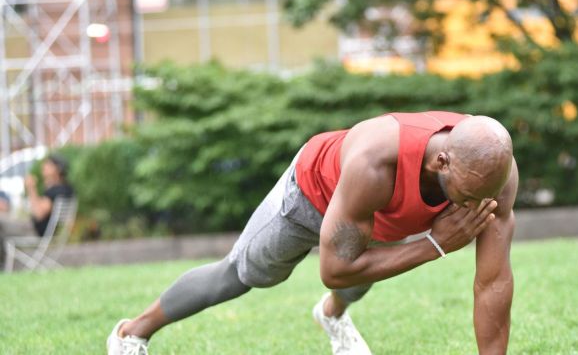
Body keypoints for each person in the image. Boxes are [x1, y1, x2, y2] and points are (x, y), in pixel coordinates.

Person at [107, 111, 519, 355]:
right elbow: (335, 270)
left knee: (359, 284)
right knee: (239, 276)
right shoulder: (375, 163)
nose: (471, 207)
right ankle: (131, 333)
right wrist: (433, 245)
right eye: (465, 196)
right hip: (309, 195)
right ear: (441, 162)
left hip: (373, 214)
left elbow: (492, 281)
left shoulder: (489, 177)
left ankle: (331, 317)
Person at [0, 155, 75, 264]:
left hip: (35, 232)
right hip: (39, 230)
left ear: (58, 169)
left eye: (48, 164)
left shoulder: (58, 190)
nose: (43, 167)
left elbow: (39, 213)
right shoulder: (65, 189)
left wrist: (31, 188)